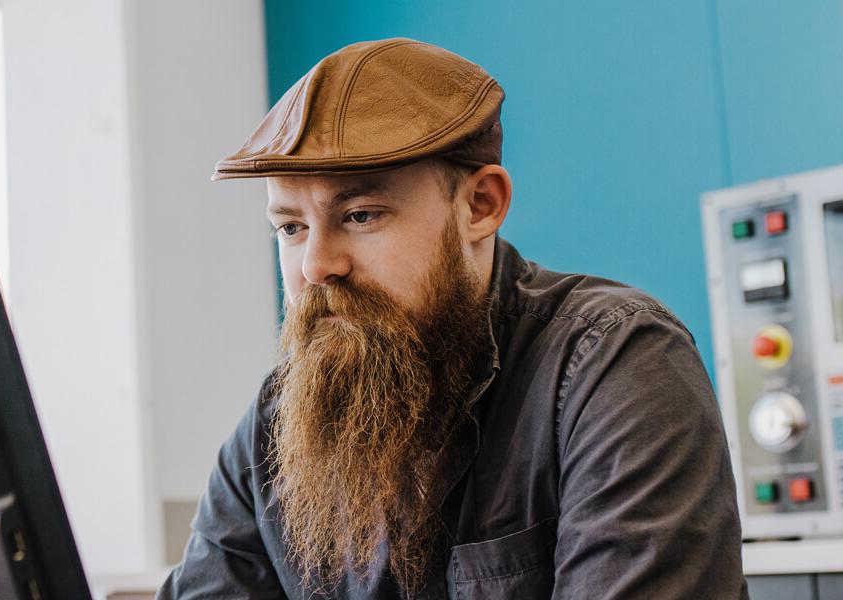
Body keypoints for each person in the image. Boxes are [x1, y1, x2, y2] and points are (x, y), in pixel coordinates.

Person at [159, 38, 746, 599]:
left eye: (361, 215)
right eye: (291, 227)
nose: (316, 266)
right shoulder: (274, 424)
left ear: (480, 205)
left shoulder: (615, 365)